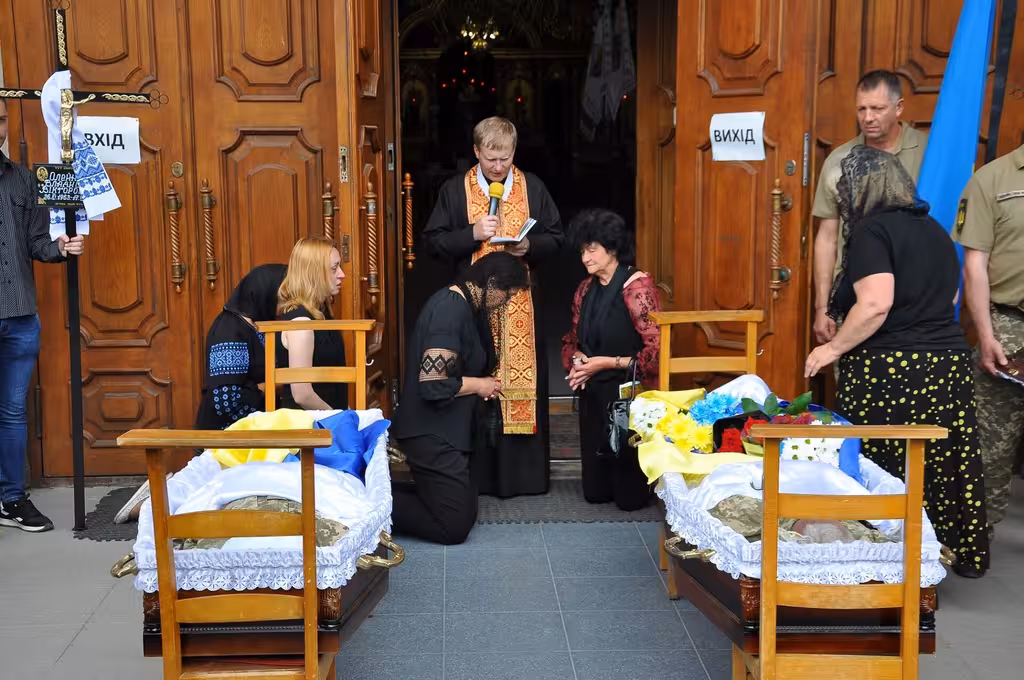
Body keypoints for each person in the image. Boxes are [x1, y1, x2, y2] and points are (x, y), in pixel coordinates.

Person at [804, 145, 989, 578]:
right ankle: (943, 555)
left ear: (860, 189)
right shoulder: (934, 229)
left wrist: (832, 349)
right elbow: (952, 296)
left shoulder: (872, 231)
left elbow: (875, 304)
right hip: (947, 366)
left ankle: (886, 565)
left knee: (883, 464)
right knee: (939, 463)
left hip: (892, 371)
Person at [421, 116, 564, 497]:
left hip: (521, 308)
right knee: (475, 376)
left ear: (514, 152)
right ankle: (480, 478)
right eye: (491, 159)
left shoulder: (533, 186)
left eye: (505, 158)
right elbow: (433, 242)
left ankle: (523, 478)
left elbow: (557, 237)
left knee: (522, 383)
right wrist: (471, 234)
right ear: (476, 152)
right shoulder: (455, 190)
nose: (499, 167)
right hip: (474, 311)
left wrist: (529, 246)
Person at [391, 252, 530, 544]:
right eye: (506, 294)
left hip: (447, 431)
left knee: (466, 511)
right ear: (491, 282)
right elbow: (433, 383)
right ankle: (369, 504)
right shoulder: (449, 309)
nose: (505, 302)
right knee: (452, 527)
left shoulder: (466, 306)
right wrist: (480, 385)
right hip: (430, 433)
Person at [0, 98, 85, 533]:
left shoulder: (22, 179)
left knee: (13, 412)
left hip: (19, 315)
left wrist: (60, 248)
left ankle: (11, 498)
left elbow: (36, 241)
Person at [812, 70, 928, 344]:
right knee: (853, 371)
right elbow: (827, 238)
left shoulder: (931, 153)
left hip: (916, 300)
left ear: (899, 108)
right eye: (861, 109)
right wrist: (822, 307)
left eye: (877, 109)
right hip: (854, 298)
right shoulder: (839, 160)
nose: (868, 117)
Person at [560, 209, 661, 510]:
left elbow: (657, 353)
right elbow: (571, 340)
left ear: (612, 248)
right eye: (582, 251)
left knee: (629, 500)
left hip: (628, 396)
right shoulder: (585, 289)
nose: (585, 258)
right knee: (595, 493)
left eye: (592, 250)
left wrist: (604, 362)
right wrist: (578, 361)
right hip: (594, 394)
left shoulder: (637, 287)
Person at [954, 144, 1024, 539]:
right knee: (991, 440)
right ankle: (977, 534)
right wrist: (985, 333)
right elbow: (975, 264)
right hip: (1008, 323)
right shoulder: (992, 179)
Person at [195, 263, 288, 429]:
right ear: (265, 293)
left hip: (255, 428)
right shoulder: (229, 330)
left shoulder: (260, 324)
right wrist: (275, 386)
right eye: (284, 296)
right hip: (225, 435)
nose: (288, 303)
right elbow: (226, 400)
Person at [276, 236, 348, 411]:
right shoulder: (301, 323)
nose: (342, 274)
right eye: (334, 268)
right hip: (309, 425)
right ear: (314, 273)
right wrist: (339, 419)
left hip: (326, 421)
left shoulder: (323, 314)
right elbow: (302, 394)